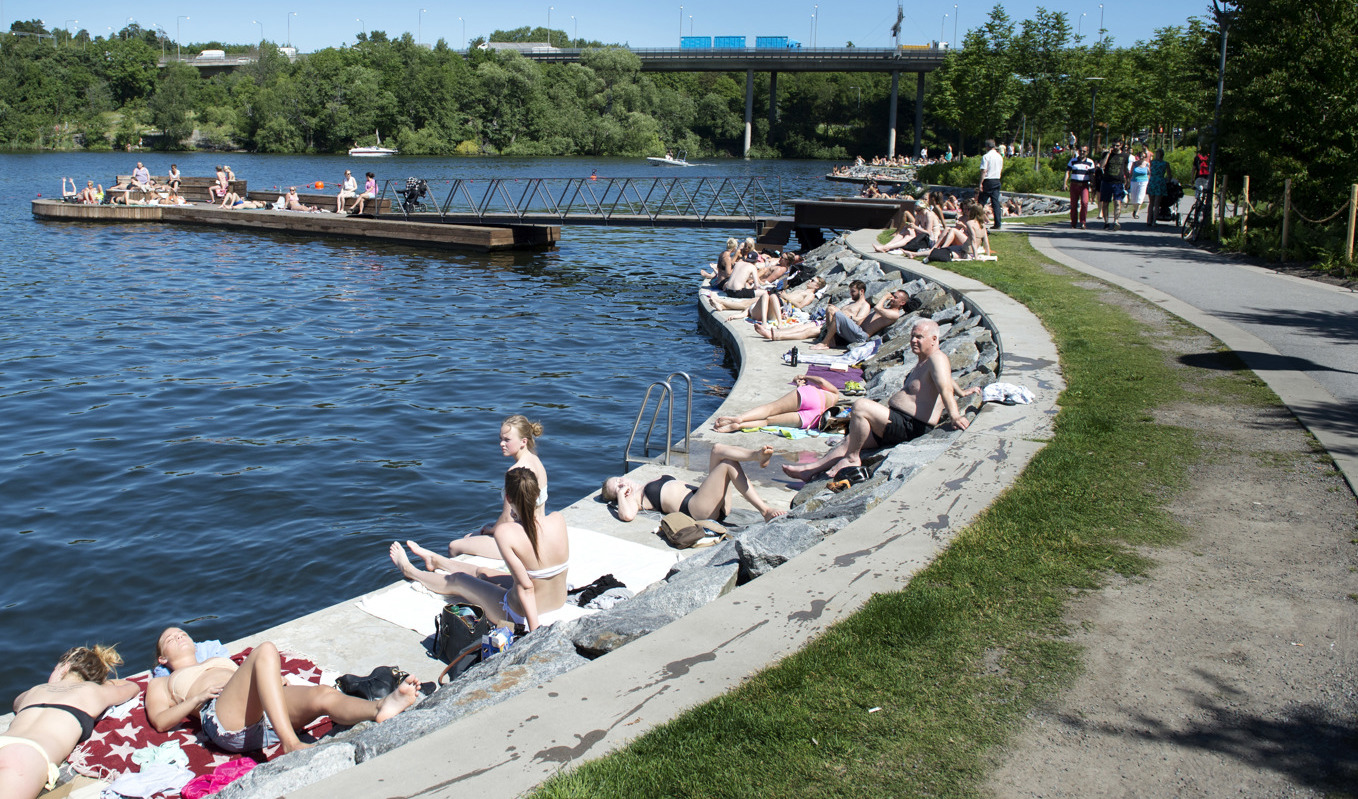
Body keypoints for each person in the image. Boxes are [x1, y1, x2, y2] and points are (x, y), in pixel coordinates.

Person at [146, 628, 419, 754]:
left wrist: (271, 680)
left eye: (183, 634)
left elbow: (248, 680)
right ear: (162, 659)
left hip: (264, 711)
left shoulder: (216, 659)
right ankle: (290, 743)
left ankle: (379, 709)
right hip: (224, 718)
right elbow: (159, 721)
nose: (179, 637)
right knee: (265, 649)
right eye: (170, 638)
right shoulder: (161, 682)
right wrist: (196, 698)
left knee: (323, 694)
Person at [784, 319, 981, 482]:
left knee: (860, 406)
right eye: (912, 336)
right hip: (898, 421)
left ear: (934, 339)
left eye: (919, 337)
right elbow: (946, 379)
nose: (913, 340)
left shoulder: (937, 358)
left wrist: (955, 415)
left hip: (911, 425)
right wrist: (962, 392)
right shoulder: (925, 359)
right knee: (851, 439)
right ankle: (810, 470)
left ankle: (852, 459)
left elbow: (944, 386)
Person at [392, 468, 568, 631]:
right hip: (557, 602)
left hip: (519, 612)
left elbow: (526, 587)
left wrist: (535, 631)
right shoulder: (557, 519)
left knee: (458, 580)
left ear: (508, 498)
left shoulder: (506, 533)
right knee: (483, 572)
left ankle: (410, 571)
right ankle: (438, 561)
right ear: (537, 493)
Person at [1, 646, 139, 798]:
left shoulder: (35, 690)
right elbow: (133, 688)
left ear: (65, 667)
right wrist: (103, 684)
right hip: (28, 754)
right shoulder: (93, 691)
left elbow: (16, 704)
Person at [601, 443, 786, 524]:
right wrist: (621, 495)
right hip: (697, 509)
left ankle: (757, 456)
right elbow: (626, 516)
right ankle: (765, 511)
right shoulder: (634, 499)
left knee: (718, 450)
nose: (622, 483)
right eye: (616, 487)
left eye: (619, 479)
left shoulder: (644, 484)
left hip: (705, 499)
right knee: (727, 465)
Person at [448, 416, 549, 559]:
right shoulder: (535, 460)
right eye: (501, 439)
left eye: (507, 440)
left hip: (524, 538)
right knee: (472, 535)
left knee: (455, 546)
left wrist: (491, 531)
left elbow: (508, 518)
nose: (502, 443)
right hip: (540, 530)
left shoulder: (517, 472)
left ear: (523, 442)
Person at [712, 374, 840, 433]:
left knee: (771, 408)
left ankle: (740, 418)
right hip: (816, 417)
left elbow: (822, 381)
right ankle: (739, 426)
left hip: (812, 396)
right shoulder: (834, 402)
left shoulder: (835, 394)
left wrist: (805, 377)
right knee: (769, 421)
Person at [1099, 140, 1131, 230]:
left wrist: (1128, 180)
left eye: (1117, 145)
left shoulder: (1125, 156)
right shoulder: (1106, 154)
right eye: (1113, 145)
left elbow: (1125, 169)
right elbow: (1102, 166)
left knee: (1117, 202)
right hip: (1107, 181)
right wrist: (1108, 154)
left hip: (1118, 182)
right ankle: (1106, 222)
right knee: (1105, 203)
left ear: (1120, 145)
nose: (1115, 147)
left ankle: (1116, 221)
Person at [1064, 144, 1096, 229]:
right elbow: (1067, 172)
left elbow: (1092, 174)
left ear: (1087, 152)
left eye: (1084, 151)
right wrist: (1065, 183)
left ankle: (1083, 222)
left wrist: (1093, 185)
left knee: (1084, 203)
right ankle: (1073, 223)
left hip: (1084, 185)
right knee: (1073, 204)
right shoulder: (1073, 161)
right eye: (1080, 151)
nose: (1082, 153)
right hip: (1074, 185)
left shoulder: (1090, 162)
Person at [978, 139, 1004, 230]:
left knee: (981, 202)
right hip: (997, 180)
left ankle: (977, 220)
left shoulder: (986, 156)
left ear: (987, 147)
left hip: (988, 180)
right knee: (995, 203)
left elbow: (984, 170)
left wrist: (980, 183)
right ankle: (998, 223)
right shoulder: (999, 156)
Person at [1146, 149, 1171, 227]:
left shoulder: (1152, 163)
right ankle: (1154, 221)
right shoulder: (1165, 164)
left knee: (1151, 203)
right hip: (1160, 181)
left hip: (1153, 181)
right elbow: (1169, 175)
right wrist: (1168, 181)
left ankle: (1149, 220)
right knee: (1156, 203)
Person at [1128, 149, 1151, 219]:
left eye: (1143, 157)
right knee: (1134, 199)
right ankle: (1135, 209)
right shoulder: (1134, 163)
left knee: (1140, 197)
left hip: (1143, 181)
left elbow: (1149, 174)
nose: (1141, 158)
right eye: (1140, 156)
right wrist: (1128, 182)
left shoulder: (1147, 164)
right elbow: (1131, 173)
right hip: (1134, 181)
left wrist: (1149, 181)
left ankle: (1137, 213)